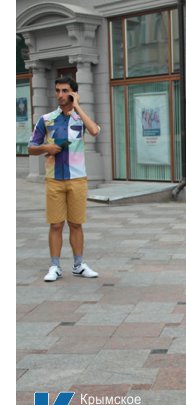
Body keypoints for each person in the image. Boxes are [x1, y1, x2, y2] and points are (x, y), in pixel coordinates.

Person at [28, 76, 101, 282]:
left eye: (64, 91)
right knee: (56, 225)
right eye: (57, 90)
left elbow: (95, 131)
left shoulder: (81, 118)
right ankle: (55, 266)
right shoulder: (47, 119)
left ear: (73, 93)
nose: (60, 95)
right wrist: (46, 148)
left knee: (76, 224)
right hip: (54, 180)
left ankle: (78, 265)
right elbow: (31, 148)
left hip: (78, 179)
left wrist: (77, 106)